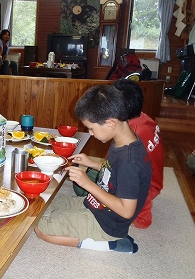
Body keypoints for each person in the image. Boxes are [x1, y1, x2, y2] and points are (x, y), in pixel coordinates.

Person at [35, 84, 152, 253]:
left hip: (109, 223)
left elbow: (127, 211)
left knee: (41, 229)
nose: (90, 133)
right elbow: (115, 172)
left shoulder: (129, 161)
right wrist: (93, 164)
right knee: (45, 204)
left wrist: (88, 184)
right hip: (96, 205)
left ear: (110, 123)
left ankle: (111, 243)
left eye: (91, 128)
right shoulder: (123, 139)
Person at [113, 79, 164, 228]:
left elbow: (125, 169)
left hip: (146, 185)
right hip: (155, 179)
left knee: (95, 185)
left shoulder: (132, 137)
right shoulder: (143, 117)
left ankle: (142, 204)